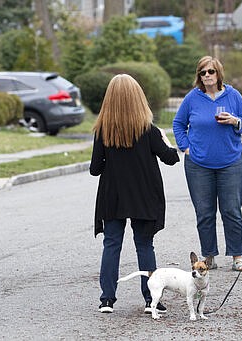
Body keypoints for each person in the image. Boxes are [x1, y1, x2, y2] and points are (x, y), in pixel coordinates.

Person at [90, 74, 180, 314]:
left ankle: (107, 299)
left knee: (112, 245)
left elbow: (95, 169)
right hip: (143, 194)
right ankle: (151, 299)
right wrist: (164, 136)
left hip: (113, 194)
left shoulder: (103, 131)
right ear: (138, 98)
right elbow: (171, 158)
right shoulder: (148, 130)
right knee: (144, 245)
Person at [173, 56, 242, 271]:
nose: (207, 76)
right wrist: (186, 147)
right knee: (205, 212)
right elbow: (178, 124)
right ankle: (209, 256)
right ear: (198, 76)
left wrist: (235, 121)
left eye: (211, 72)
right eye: (203, 72)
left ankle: (237, 257)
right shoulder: (192, 98)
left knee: (231, 211)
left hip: (231, 162)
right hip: (199, 164)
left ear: (219, 73)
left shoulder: (233, 95)